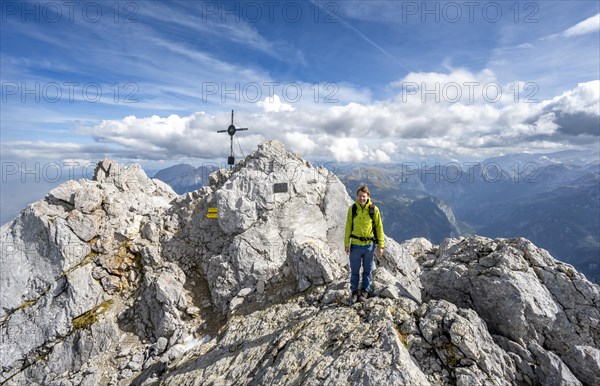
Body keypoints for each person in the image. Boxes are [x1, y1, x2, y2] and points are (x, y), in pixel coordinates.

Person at [344, 185, 384, 303]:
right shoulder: (353, 209)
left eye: (364, 196)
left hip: (369, 246)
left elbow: (379, 227)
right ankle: (354, 292)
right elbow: (348, 227)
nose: (362, 198)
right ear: (357, 196)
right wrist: (347, 244)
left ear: (368, 197)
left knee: (367, 270)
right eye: (360, 196)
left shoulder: (373, 209)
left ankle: (365, 291)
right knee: (355, 270)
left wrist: (381, 245)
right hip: (355, 245)